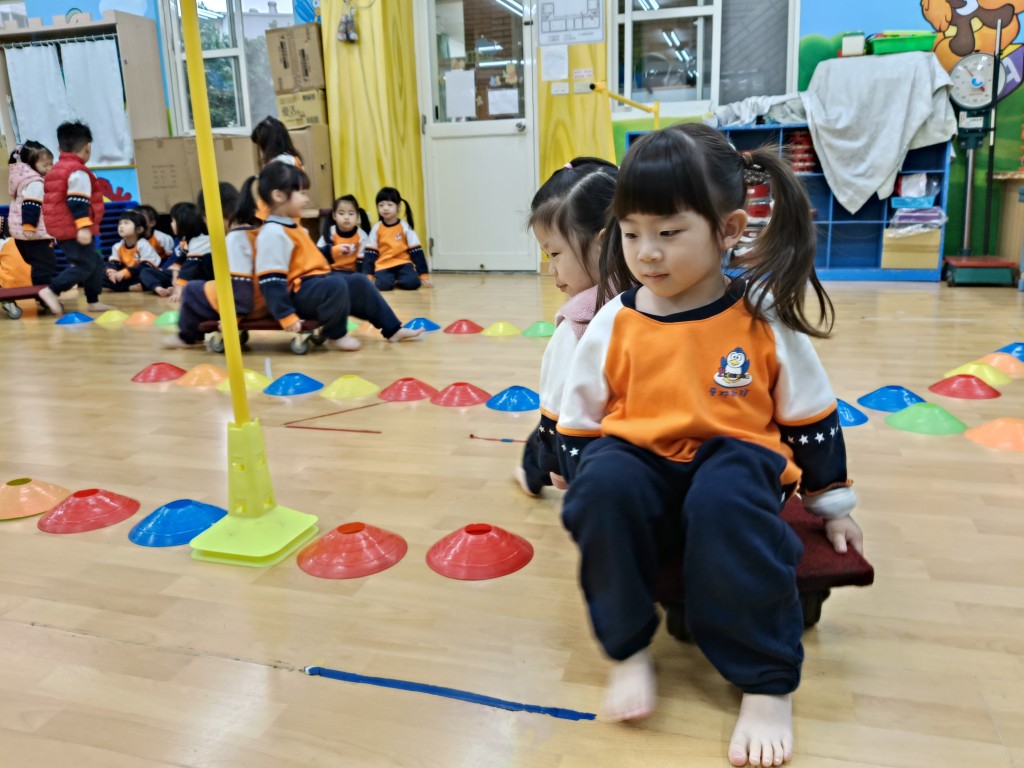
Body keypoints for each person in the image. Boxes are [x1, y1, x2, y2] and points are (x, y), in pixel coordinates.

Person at [554, 124, 863, 767]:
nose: (647, 253)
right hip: (642, 455)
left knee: (726, 502)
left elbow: (809, 413)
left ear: (729, 229)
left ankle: (766, 681)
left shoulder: (760, 314)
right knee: (602, 488)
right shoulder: (615, 318)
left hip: (736, 458)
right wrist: (586, 490)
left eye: (669, 233)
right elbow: (579, 415)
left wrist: (832, 505)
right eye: (631, 233)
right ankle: (628, 649)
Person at [513, 157, 629, 497]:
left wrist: (556, 463)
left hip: (592, 439)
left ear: (603, 241)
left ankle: (532, 471)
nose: (551, 269)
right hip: (619, 438)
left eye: (554, 254)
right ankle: (532, 470)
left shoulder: (580, 319)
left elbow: (555, 403)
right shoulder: (653, 289)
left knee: (547, 431)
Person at [245, 163, 422, 350]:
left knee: (359, 281)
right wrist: (286, 315)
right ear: (279, 196)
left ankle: (393, 330)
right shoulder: (272, 233)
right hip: (295, 295)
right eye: (301, 193)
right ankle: (335, 335)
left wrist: (334, 251)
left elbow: (311, 257)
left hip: (312, 285)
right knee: (334, 284)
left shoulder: (294, 228)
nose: (306, 199)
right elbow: (271, 281)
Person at [162, 184, 264, 349]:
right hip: (265, 299)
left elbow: (241, 282)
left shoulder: (234, 239)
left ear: (210, 215)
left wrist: (234, 316)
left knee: (192, 290)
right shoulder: (257, 230)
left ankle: (188, 337)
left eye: (204, 218)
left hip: (250, 303)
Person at [36, 122, 115, 315]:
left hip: (63, 227)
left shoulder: (57, 169)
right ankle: (51, 291)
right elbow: (77, 202)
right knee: (85, 264)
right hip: (74, 228)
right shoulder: (78, 172)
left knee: (95, 262)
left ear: (59, 149)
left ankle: (93, 301)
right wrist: (83, 227)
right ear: (87, 147)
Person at [7, 141, 57, 293]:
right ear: (30, 165)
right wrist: (29, 226)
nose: (50, 168)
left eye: (51, 164)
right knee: (44, 266)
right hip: (35, 234)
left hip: (23, 234)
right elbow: (31, 205)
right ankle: (44, 297)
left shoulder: (20, 179)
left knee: (40, 266)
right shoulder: (35, 182)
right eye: (45, 165)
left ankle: (42, 295)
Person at [362, 187, 432, 291]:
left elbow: (417, 252)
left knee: (412, 283)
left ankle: (399, 279)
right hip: (383, 265)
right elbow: (370, 254)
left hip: (403, 263)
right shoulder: (376, 228)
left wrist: (423, 275)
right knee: (382, 285)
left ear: (398, 207)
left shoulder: (405, 227)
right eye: (381, 205)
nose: (385, 208)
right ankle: (391, 279)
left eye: (389, 205)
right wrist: (368, 276)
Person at [104, 209, 170, 293]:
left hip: (139, 275)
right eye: (120, 223)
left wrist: (124, 273)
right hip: (127, 277)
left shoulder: (143, 244)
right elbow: (114, 263)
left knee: (145, 274)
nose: (121, 226)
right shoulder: (117, 246)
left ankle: (124, 287)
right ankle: (129, 287)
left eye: (126, 223)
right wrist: (111, 271)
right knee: (101, 273)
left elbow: (146, 266)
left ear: (139, 229)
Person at [250, 116, 301, 221]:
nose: (260, 150)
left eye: (261, 145)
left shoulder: (280, 163)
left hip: (277, 218)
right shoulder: (292, 159)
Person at [167, 202, 211, 303]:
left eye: (173, 221)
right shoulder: (189, 240)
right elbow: (182, 258)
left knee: (196, 265)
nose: (171, 224)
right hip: (196, 277)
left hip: (210, 280)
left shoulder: (201, 240)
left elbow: (190, 266)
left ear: (183, 222)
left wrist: (178, 289)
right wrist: (175, 274)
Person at [317, 194, 370, 272]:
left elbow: (363, 263)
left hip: (353, 273)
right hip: (332, 272)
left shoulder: (362, 236)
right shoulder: (330, 232)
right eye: (341, 213)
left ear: (358, 216)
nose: (346, 217)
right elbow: (318, 252)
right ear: (334, 216)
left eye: (351, 214)